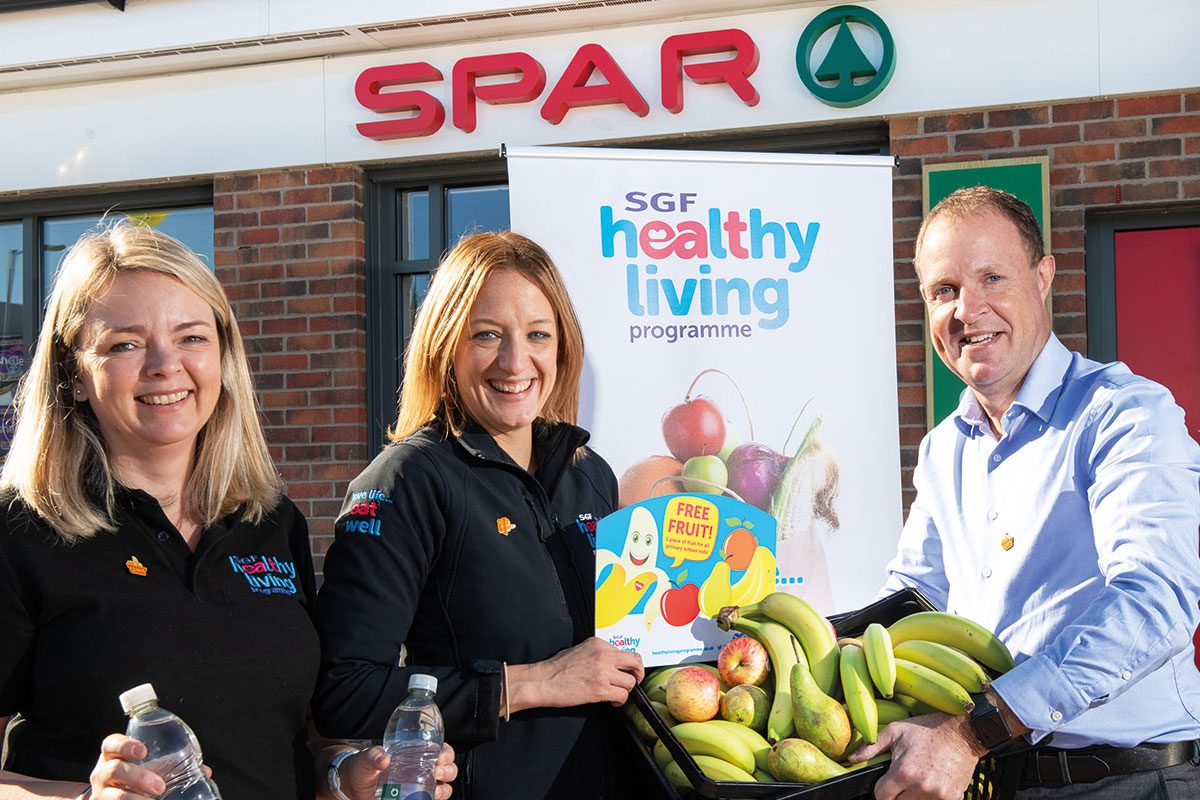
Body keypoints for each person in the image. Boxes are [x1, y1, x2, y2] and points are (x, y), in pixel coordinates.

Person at [0, 223, 456, 800]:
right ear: (72, 376)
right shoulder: (19, 531)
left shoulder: (269, 520)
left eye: (192, 337)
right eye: (125, 343)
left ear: (223, 356)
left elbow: (294, 742)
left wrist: (350, 779)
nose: (165, 365)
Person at [851, 186, 1200, 799]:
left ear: (1042, 278)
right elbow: (913, 600)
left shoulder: (1123, 415)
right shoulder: (944, 448)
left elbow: (1156, 601)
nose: (968, 310)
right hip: (995, 779)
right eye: (944, 291)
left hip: (1130, 779)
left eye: (992, 278)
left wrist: (975, 731)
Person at [312, 232, 651, 800]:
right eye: (487, 335)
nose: (516, 362)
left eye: (538, 335)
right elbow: (344, 692)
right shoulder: (407, 481)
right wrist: (533, 684)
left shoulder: (589, 472)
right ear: (446, 345)